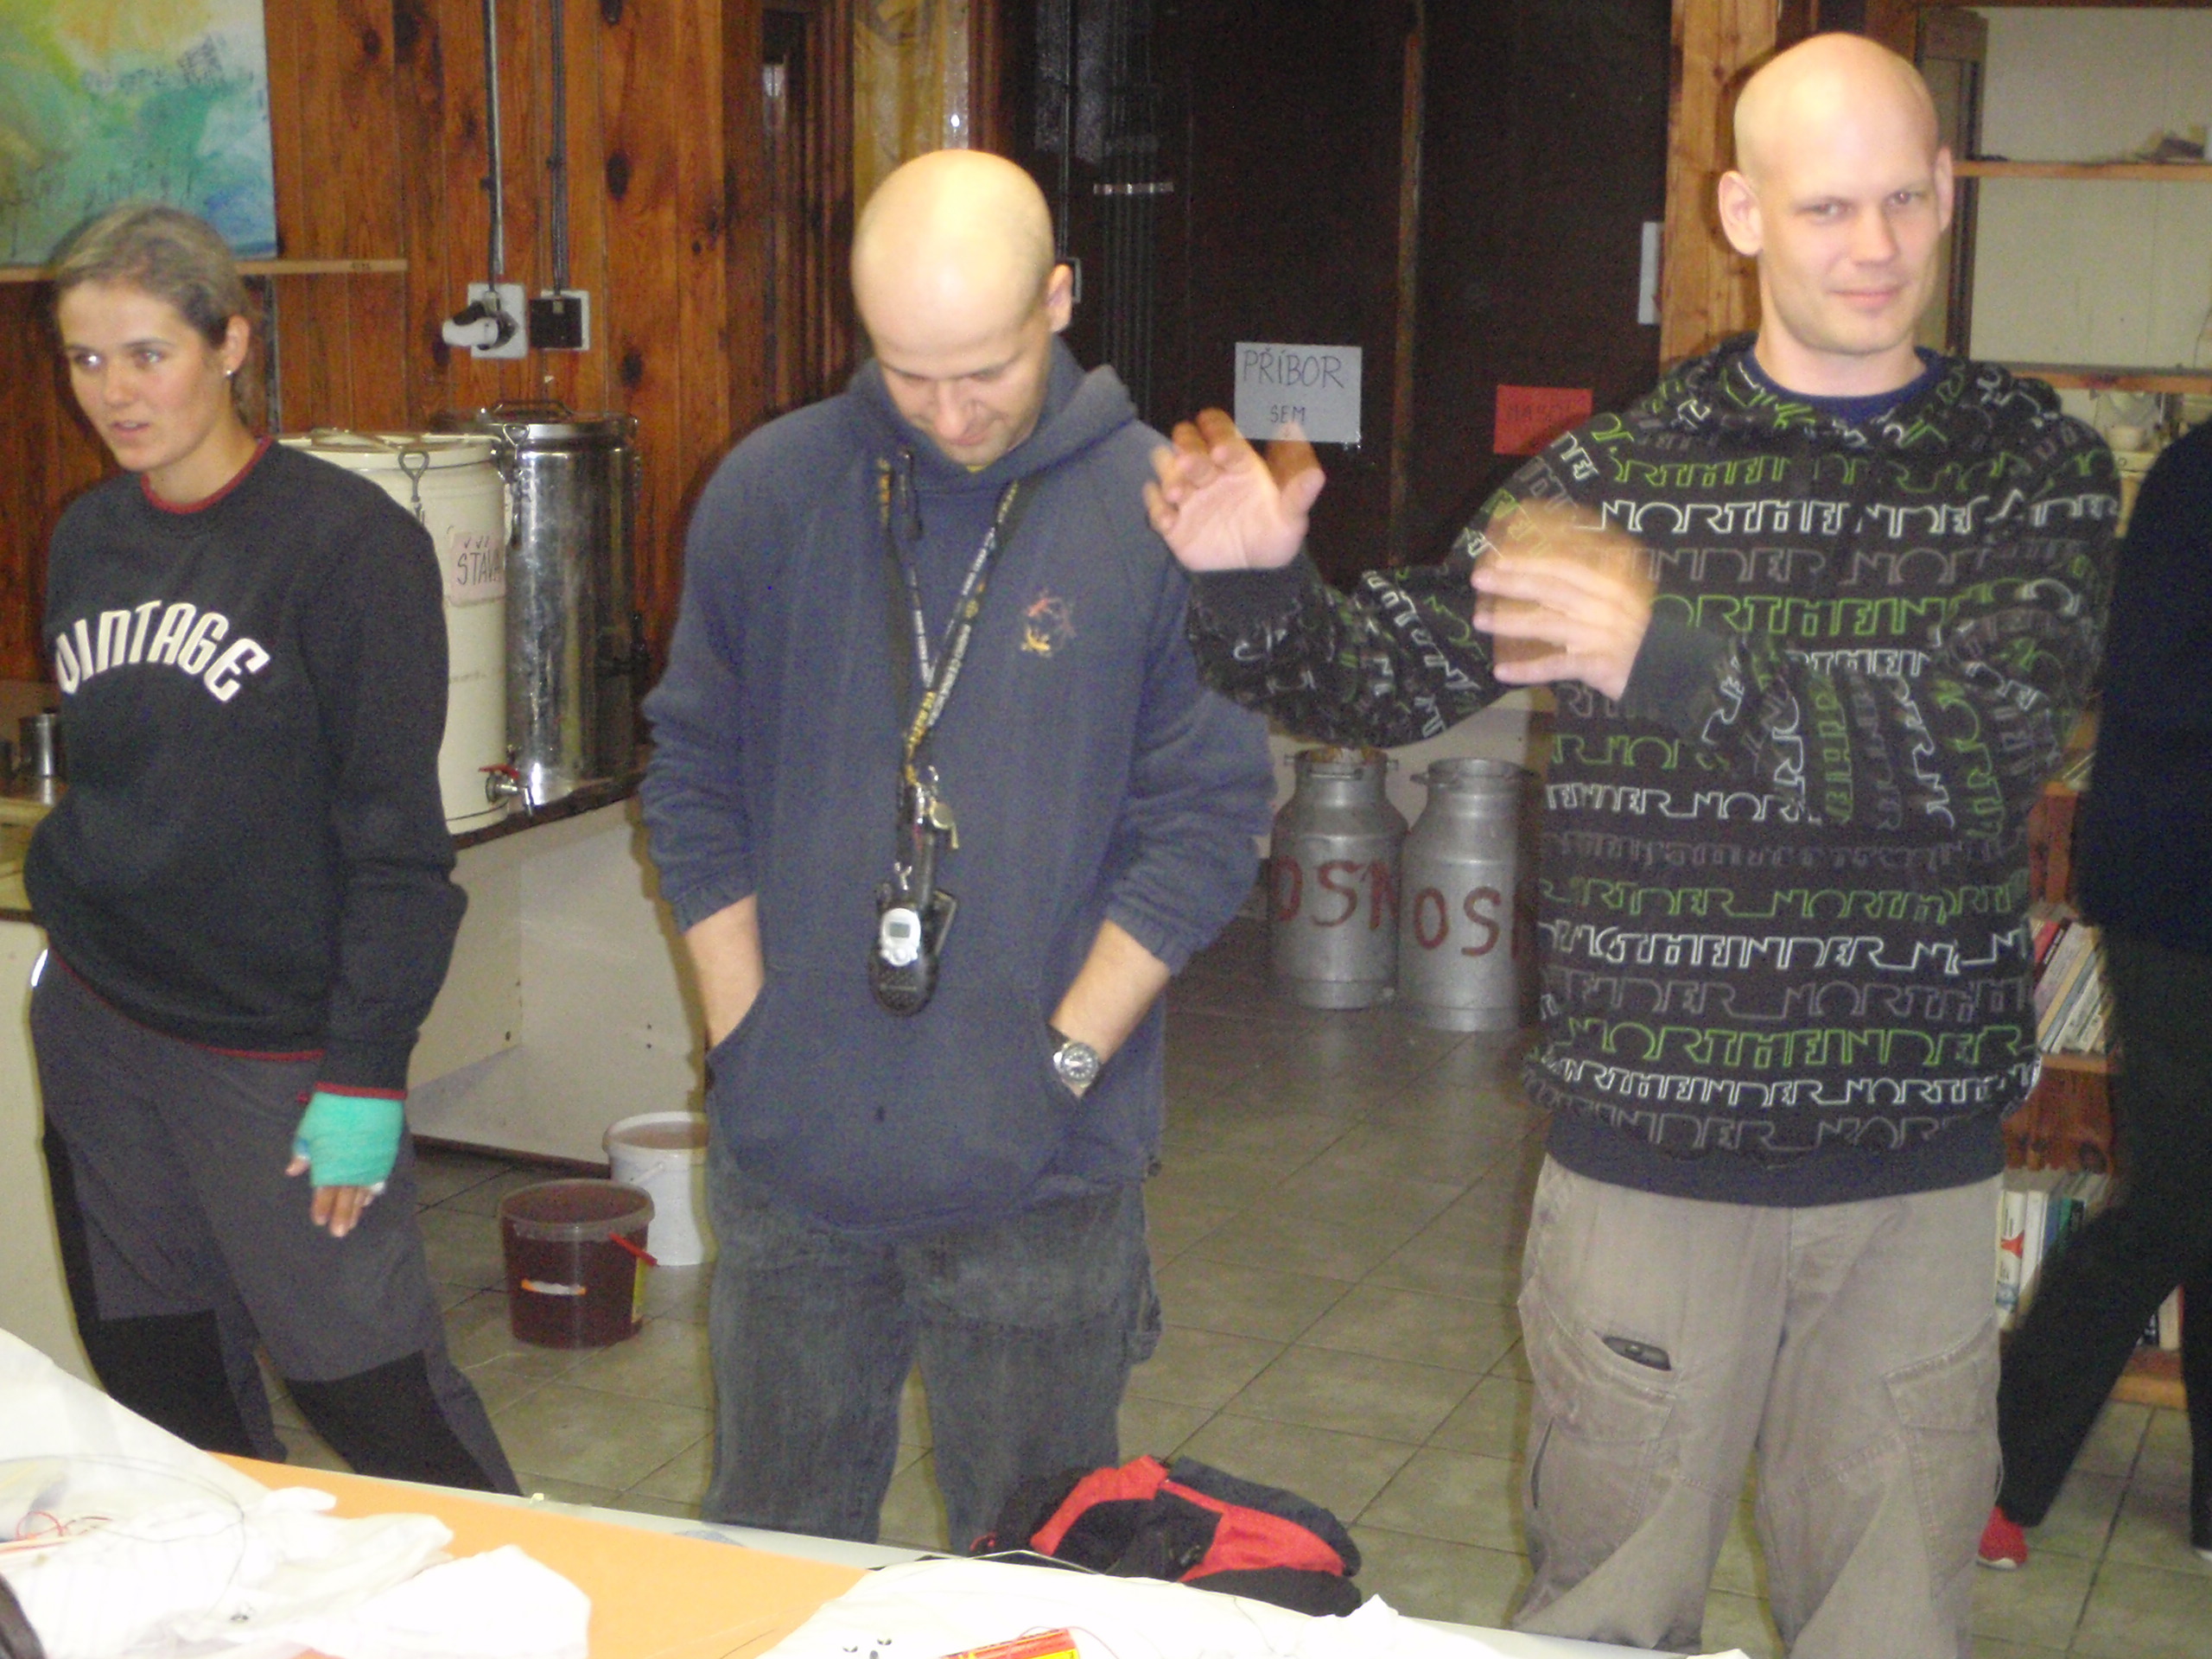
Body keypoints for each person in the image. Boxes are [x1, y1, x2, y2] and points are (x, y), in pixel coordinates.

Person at [1146, 34, 2113, 1657]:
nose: (1873, 246)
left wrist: (1660, 655)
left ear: (1948, 191)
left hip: (1909, 1174)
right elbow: (1381, 680)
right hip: (1648, 1159)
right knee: (1603, 1618)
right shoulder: (1616, 476)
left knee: (1891, 1626)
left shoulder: (2034, 466)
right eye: (1826, 208)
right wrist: (1252, 580)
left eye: (1902, 199)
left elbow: (1974, 756)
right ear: (1741, 213)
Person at [640, 149, 1272, 1548]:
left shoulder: (1160, 508)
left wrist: (1062, 1065)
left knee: (1033, 1564)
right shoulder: (770, 492)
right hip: (793, 1158)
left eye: (983, 370)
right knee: (774, 1549)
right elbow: (691, 777)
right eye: (908, 373)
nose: (947, 413)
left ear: (1059, 299)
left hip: (1043, 1170)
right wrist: (747, 1038)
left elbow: (1209, 821)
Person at [28, 203, 515, 1492]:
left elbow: (399, 846)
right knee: (163, 1379)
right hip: (101, 1023)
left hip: (271, 1053)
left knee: (370, 1390)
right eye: (87, 359)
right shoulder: (88, 538)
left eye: (148, 354)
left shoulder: (349, 548)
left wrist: (366, 1072)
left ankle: (538, 1589)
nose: (115, 393)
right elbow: (126, 776)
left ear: (231, 345)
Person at [1980, 417, 2212, 1569]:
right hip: (2182, 891)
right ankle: (1995, 1479)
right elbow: (2150, 684)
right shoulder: (2196, 477)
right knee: (2174, 1203)